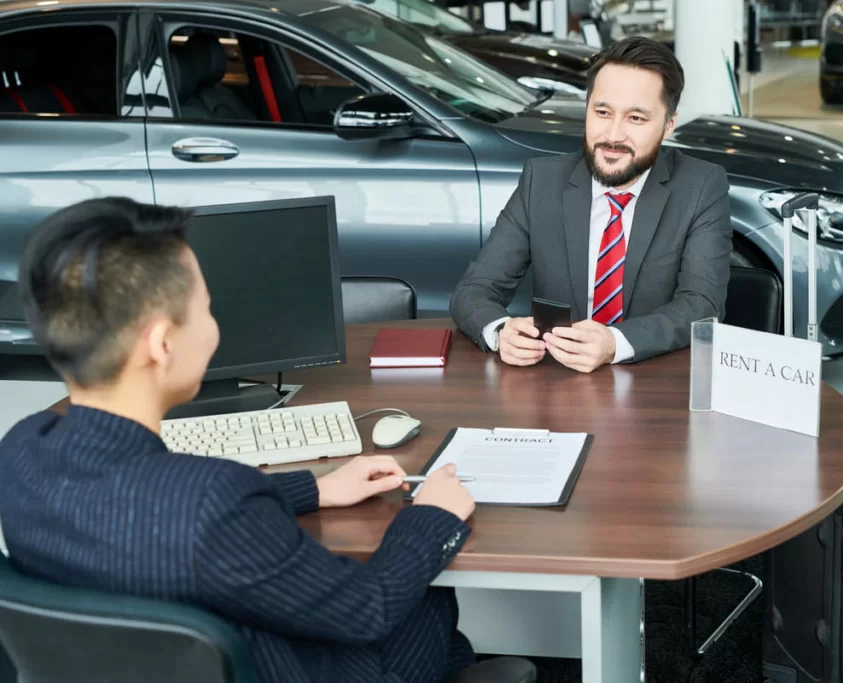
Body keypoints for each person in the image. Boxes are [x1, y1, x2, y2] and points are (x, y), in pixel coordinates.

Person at [0, 198, 478, 683]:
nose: (213, 327)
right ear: (161, 343)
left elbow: (155, 512)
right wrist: (428, 516)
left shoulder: (20, 452)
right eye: (207, 310)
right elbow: (367, 608)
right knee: (428, 594)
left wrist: (316, 489)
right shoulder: (212, 500)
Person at [450, 36, 732, 373]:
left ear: (668, 125)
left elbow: (702, 305)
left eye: (636, 119)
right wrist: (500, 331)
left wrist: (615, 343)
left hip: (651, 385)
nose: (613, 135)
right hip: (555, 387)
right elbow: (474, 291)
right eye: (602, 112)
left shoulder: (701, 186)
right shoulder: (541, 181)